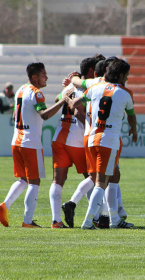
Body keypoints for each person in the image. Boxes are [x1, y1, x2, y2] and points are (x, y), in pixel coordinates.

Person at [0, 62, 71, 228]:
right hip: (30, 142)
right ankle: (27, 221)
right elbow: (44, 115)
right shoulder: (36, 94)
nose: (47, 77)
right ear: (35, 77)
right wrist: (62, 102)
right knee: (34, 182)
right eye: (44, 74)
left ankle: (5, 205)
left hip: (16, 140)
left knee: (24, 179)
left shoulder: (21, 90)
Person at [62, 56, 129, 228]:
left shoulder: (92, 84)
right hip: (107, 135)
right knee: (108, 177)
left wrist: (70, 81)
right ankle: (110, 216)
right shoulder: (112, 87)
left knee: (97, 177)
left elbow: (77, 82)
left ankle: (81, 205)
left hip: (89, 135)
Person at [78, 59, 138, 229]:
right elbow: (132, 115)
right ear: (120, 75)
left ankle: (114, 219)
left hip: (92, 138)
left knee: (100, 179)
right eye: (126, 75)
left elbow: (78, 103)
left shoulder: (94, 88)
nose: (127, 78)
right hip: (109, 141)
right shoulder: (126, 93)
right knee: (101, 183)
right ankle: (88, 221)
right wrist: (134, 129)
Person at [49, 57, 98, 229]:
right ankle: (96, 216)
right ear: (92, 71)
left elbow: (57, 99)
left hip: (59, 136)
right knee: (91, 177)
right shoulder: (87, 87)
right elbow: (78, 113)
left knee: (58, 180)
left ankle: (56, 221)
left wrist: (66, 86)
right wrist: (93, 126)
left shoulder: (71, 86)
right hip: (75, 139)